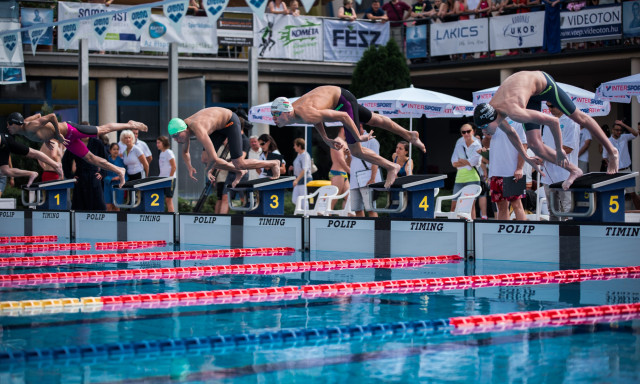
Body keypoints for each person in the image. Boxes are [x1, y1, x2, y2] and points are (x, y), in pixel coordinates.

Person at [473, 71, 620, 191]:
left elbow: (553, 121)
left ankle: (612, 151)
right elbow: (511, 133)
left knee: (580, 118)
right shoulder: (495, 112)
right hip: (527, 93)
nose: (484, 132)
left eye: (484, 128)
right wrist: (525, 156)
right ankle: (574, 170)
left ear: (492, 119)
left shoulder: (514, 112)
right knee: (534, 145)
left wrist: (559, 148)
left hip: (543, 84)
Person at [271, 86, 426, 188]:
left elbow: (343, 116)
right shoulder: (295, 112)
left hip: (342, 102)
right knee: (374, 119)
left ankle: (392, 166)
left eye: (275, 115)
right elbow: (316, 119)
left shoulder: (303, 113)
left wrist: (358, 136)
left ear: (285, 112)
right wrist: (325, 138)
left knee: (357, 151)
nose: (274, 119)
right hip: (340, 95)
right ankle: (409, 134)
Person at [5, 112, 146, 187]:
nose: (7, 128)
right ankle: (119, 170)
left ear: (16, 124)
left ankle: (129, 124)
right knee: (90, 158)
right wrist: (46, 138)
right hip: (67, 140)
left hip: (70, 130)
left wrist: (57, 134)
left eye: (9, 125)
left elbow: (51, 116)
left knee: (101, 130)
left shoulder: (30, 126)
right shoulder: (26, 127)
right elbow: (38, 116)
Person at [168, 107, 281, 188]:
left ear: (184, 129)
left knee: (239, 163)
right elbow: (185, 152)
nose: (176, 139)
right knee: (205, 159)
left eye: (177, 136)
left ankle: (273, 163)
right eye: (173, 137)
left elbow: (213, 159)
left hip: (229, 121)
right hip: (217, 127)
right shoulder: (184, 129)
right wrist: (189, 167)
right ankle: (240, 172)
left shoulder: (198, 129)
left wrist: (208, 170)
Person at [540, 101, 580, 220]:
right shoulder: (547, 121)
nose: (549, 108)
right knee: (552, 210)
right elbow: (543, 144)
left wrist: (546, 155)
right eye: (548, 106)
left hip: (565, 173)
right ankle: (554, 235)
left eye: (551, 105)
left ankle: (570, 235)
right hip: (548, 173)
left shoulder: (571, 122)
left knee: (568, 209)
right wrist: (540, 155)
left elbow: (568, 148)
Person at [486, 120, 528, 220]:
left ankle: (524, 235)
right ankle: (503, 234)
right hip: (495, 171)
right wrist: (487, 136)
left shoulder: (517, 121)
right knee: (501, 207)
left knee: (517, 205)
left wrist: (519, 168)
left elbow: (524, 146)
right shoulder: (492, 122)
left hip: (512, 172)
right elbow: (486, 144)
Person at [62, 136, 107, 211]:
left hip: (94, 176)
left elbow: (105, 159)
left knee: (98, 205)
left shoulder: (97, 143)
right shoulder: (74, 143)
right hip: (80, 177)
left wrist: (102, 173)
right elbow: (65, 160)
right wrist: (70, 176)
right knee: (79, 206)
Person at [602, 119, 640, 209]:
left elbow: (635, 134)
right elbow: (604, 157)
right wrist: (610, 164)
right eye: (617, 130)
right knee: (616, 194)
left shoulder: (624, 137)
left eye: (620, 130)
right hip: (615, 171)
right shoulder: (607, 141)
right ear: (612, 130)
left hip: (626, 170)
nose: (619, 132)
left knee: (632, 194)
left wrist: (623, 124)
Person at [450, 123, 482, 218]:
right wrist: (467, 162)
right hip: (459, 178)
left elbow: (474, 162)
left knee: (470, 206)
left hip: (472, 177)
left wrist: (462, 161)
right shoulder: (459, 144)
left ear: (473, 131)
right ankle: (454, 228)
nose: (466, 134)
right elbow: (453, 162)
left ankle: (472, 229)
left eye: (468, 131)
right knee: (454, 205)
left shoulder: (477, 144)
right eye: (464, 132)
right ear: (461, 133)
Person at [349, 124, 381, 217]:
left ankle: (376, 230)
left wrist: (372, 178)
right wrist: (346, 155)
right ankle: (362, 230)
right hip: (354, 179)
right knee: (357, 209)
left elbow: (376, 160)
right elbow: (351, 162)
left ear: (360, 126)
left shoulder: (372, 141)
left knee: (371, 209)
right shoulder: (352, 141)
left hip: (366, 177)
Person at [329, 128, 351, 210]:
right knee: (334, 199)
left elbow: (348, 160)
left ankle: (347, 215)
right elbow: (340, 160)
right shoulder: (337, 141)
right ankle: (326, 217)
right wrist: (350, 171)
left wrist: (348, 155)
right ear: (342, 129)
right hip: (337, 173)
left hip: (343, 173)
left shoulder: (344, 143)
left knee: (349, 198)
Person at [289, 138, 313, 207]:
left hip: (304, 180)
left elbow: (305, 169)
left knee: (304, 201)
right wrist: (293, 168)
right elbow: (300, 166)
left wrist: (296, 180)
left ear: (299, 146)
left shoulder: (305, 155)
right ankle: (301, 213)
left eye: (295, 145)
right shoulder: (299, 155)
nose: (294, 147)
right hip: (299, 181)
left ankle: (307, 215)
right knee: (295, 200)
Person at [157, 136, 176, 213]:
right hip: (162, 179)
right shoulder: (161, 153)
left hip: (169, 179)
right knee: (162, 198)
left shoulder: (169, 152)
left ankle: (172, 216)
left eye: (159, 143)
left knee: (168, 199)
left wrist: (170, 178)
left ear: (164, 143)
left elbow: (174, 166)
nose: (157, 144)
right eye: (157, 143)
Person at [104, 143, 125, 211]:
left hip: (118, 186)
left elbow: (125, 174)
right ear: (110, 150)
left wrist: (121, 178)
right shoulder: (106, 161)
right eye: (114, 149)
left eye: (117, 149)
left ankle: (118, 221)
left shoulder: (121, 161)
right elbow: (103, 174)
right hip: (108, 185)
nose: (116, 151)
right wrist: (111, 178)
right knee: (108, 206)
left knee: (116, 206)